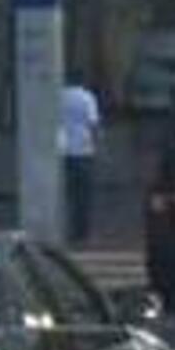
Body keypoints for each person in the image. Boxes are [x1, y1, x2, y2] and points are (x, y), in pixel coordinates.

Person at [59, 73, 101, 247]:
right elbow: (93, 123)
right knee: (83, 195)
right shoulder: (87, 97)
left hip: (62, 149)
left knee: (66, 194)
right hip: (83, 150)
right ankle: (82, 233)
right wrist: (96, 143)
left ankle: (65, 228)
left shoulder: (58, 96)